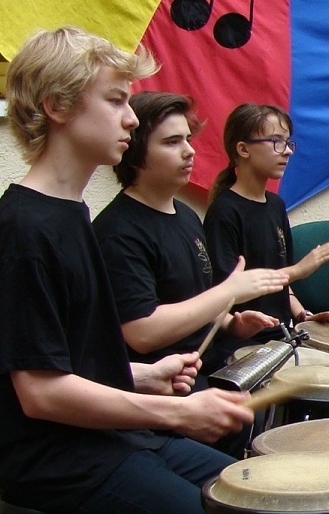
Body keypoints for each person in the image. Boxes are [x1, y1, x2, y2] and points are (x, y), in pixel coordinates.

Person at [0, 26, 255, 513]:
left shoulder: (70, 212)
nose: (130, 120)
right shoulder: (24, 230)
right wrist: (178, 412)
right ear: (57, 106)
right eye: (116, 101)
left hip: (111, 441)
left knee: (259, 491)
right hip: (60, 464)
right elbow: (40, 393)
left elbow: (66, 361)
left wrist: (144, 376)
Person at [92, 92, 289, 457]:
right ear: (134, 151)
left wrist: (231, 321)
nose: (189, 151)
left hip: (201, 372)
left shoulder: (186, 218)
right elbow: (142, 333)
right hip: (159, 394)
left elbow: (194, 301)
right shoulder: (118, 231)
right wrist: (229, 291)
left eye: (188, 139)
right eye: (171, 142)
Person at [204, 103, 329, 359]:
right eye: (276, 142)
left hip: (280, 338)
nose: (287, 151)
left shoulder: (276, 205)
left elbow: (283, 285)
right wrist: (300, 269)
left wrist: (303, 316)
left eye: (289, 142)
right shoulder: (224, 212)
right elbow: (222, 292)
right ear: (243, 149)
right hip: (240, 345)